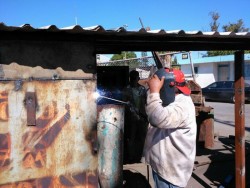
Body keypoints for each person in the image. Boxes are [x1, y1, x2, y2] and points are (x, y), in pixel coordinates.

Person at [143, 68, 197, 188]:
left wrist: (154, 93)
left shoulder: (182, 105)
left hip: (172, 174)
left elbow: (157, 118)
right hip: (163, 167)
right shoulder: (169, 101)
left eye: (160, 87)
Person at [123, 70, 148, 163]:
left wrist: (145, 115)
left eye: (135, 78)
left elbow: (146, 103)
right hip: (131, 118)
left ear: (138, 78)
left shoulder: (142, 89)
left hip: (142, 117)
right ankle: (130, 157)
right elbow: (125, 104)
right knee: (131, 137)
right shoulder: (126, 89)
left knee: (142, 137)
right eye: (132, 78)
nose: (134, 80)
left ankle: (142, 156)